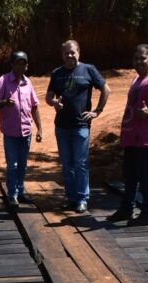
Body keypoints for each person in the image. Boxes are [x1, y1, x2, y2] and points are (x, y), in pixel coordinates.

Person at [46, 40, 109, 213]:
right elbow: (49, 96)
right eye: (66, 53)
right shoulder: (57, 73)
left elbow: (106, 89)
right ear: (62, 55)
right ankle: (70, 197)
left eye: (72, 52)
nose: (69, 56)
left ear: (79, 52)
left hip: (81, 126)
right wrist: (54, 103)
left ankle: (82, 199)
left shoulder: (89, 69)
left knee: (80, 163)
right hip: (62, 127)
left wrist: (97, 111)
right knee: (67, 164)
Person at [109, 44, 148, 225]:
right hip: (133, 136)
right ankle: (127, 209)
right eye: (136, 58)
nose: (139, 61)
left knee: (145, 175)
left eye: (143, 58)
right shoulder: (136, 79)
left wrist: (147, 113)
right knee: (130, 174)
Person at [0, 51, 43, 208]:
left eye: (24, 63)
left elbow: (34, 106)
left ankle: (21, 192)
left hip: (26, 132)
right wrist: (4, 102)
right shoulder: (3, 81)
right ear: (12, 64)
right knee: (12, 165)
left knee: (22, 164)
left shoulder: (28, 83)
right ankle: (12, 194)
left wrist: (40, 129)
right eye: (18, 63)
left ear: (27, 65)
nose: (21, 66)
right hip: (11, 133)